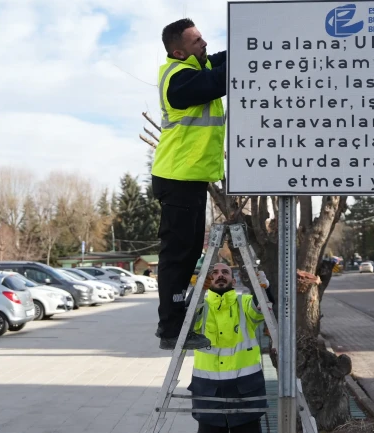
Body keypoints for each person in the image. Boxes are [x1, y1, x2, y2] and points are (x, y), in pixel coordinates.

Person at [152, 17, 227, 351]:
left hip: (189, 178)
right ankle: (170, 329)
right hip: (177, 177)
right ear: (180, 52)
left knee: (189, 253)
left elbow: (224, 60)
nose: (205, 44)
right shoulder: (179, 81)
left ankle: (176, 321)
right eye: (197, 41)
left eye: (202, 38)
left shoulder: (197, 66)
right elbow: (219, 78)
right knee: (178, 256)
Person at [188, 263, 273, 433]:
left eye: (225, 272)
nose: (220, 275)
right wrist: (197, 289)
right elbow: (186, 316)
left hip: (245, 390)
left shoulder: (244, 302)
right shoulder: (201, 306)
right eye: (214, 273)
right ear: (208, 281)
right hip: (209, 391)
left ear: (233, 281)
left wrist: (262, 288)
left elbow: (262, 307)